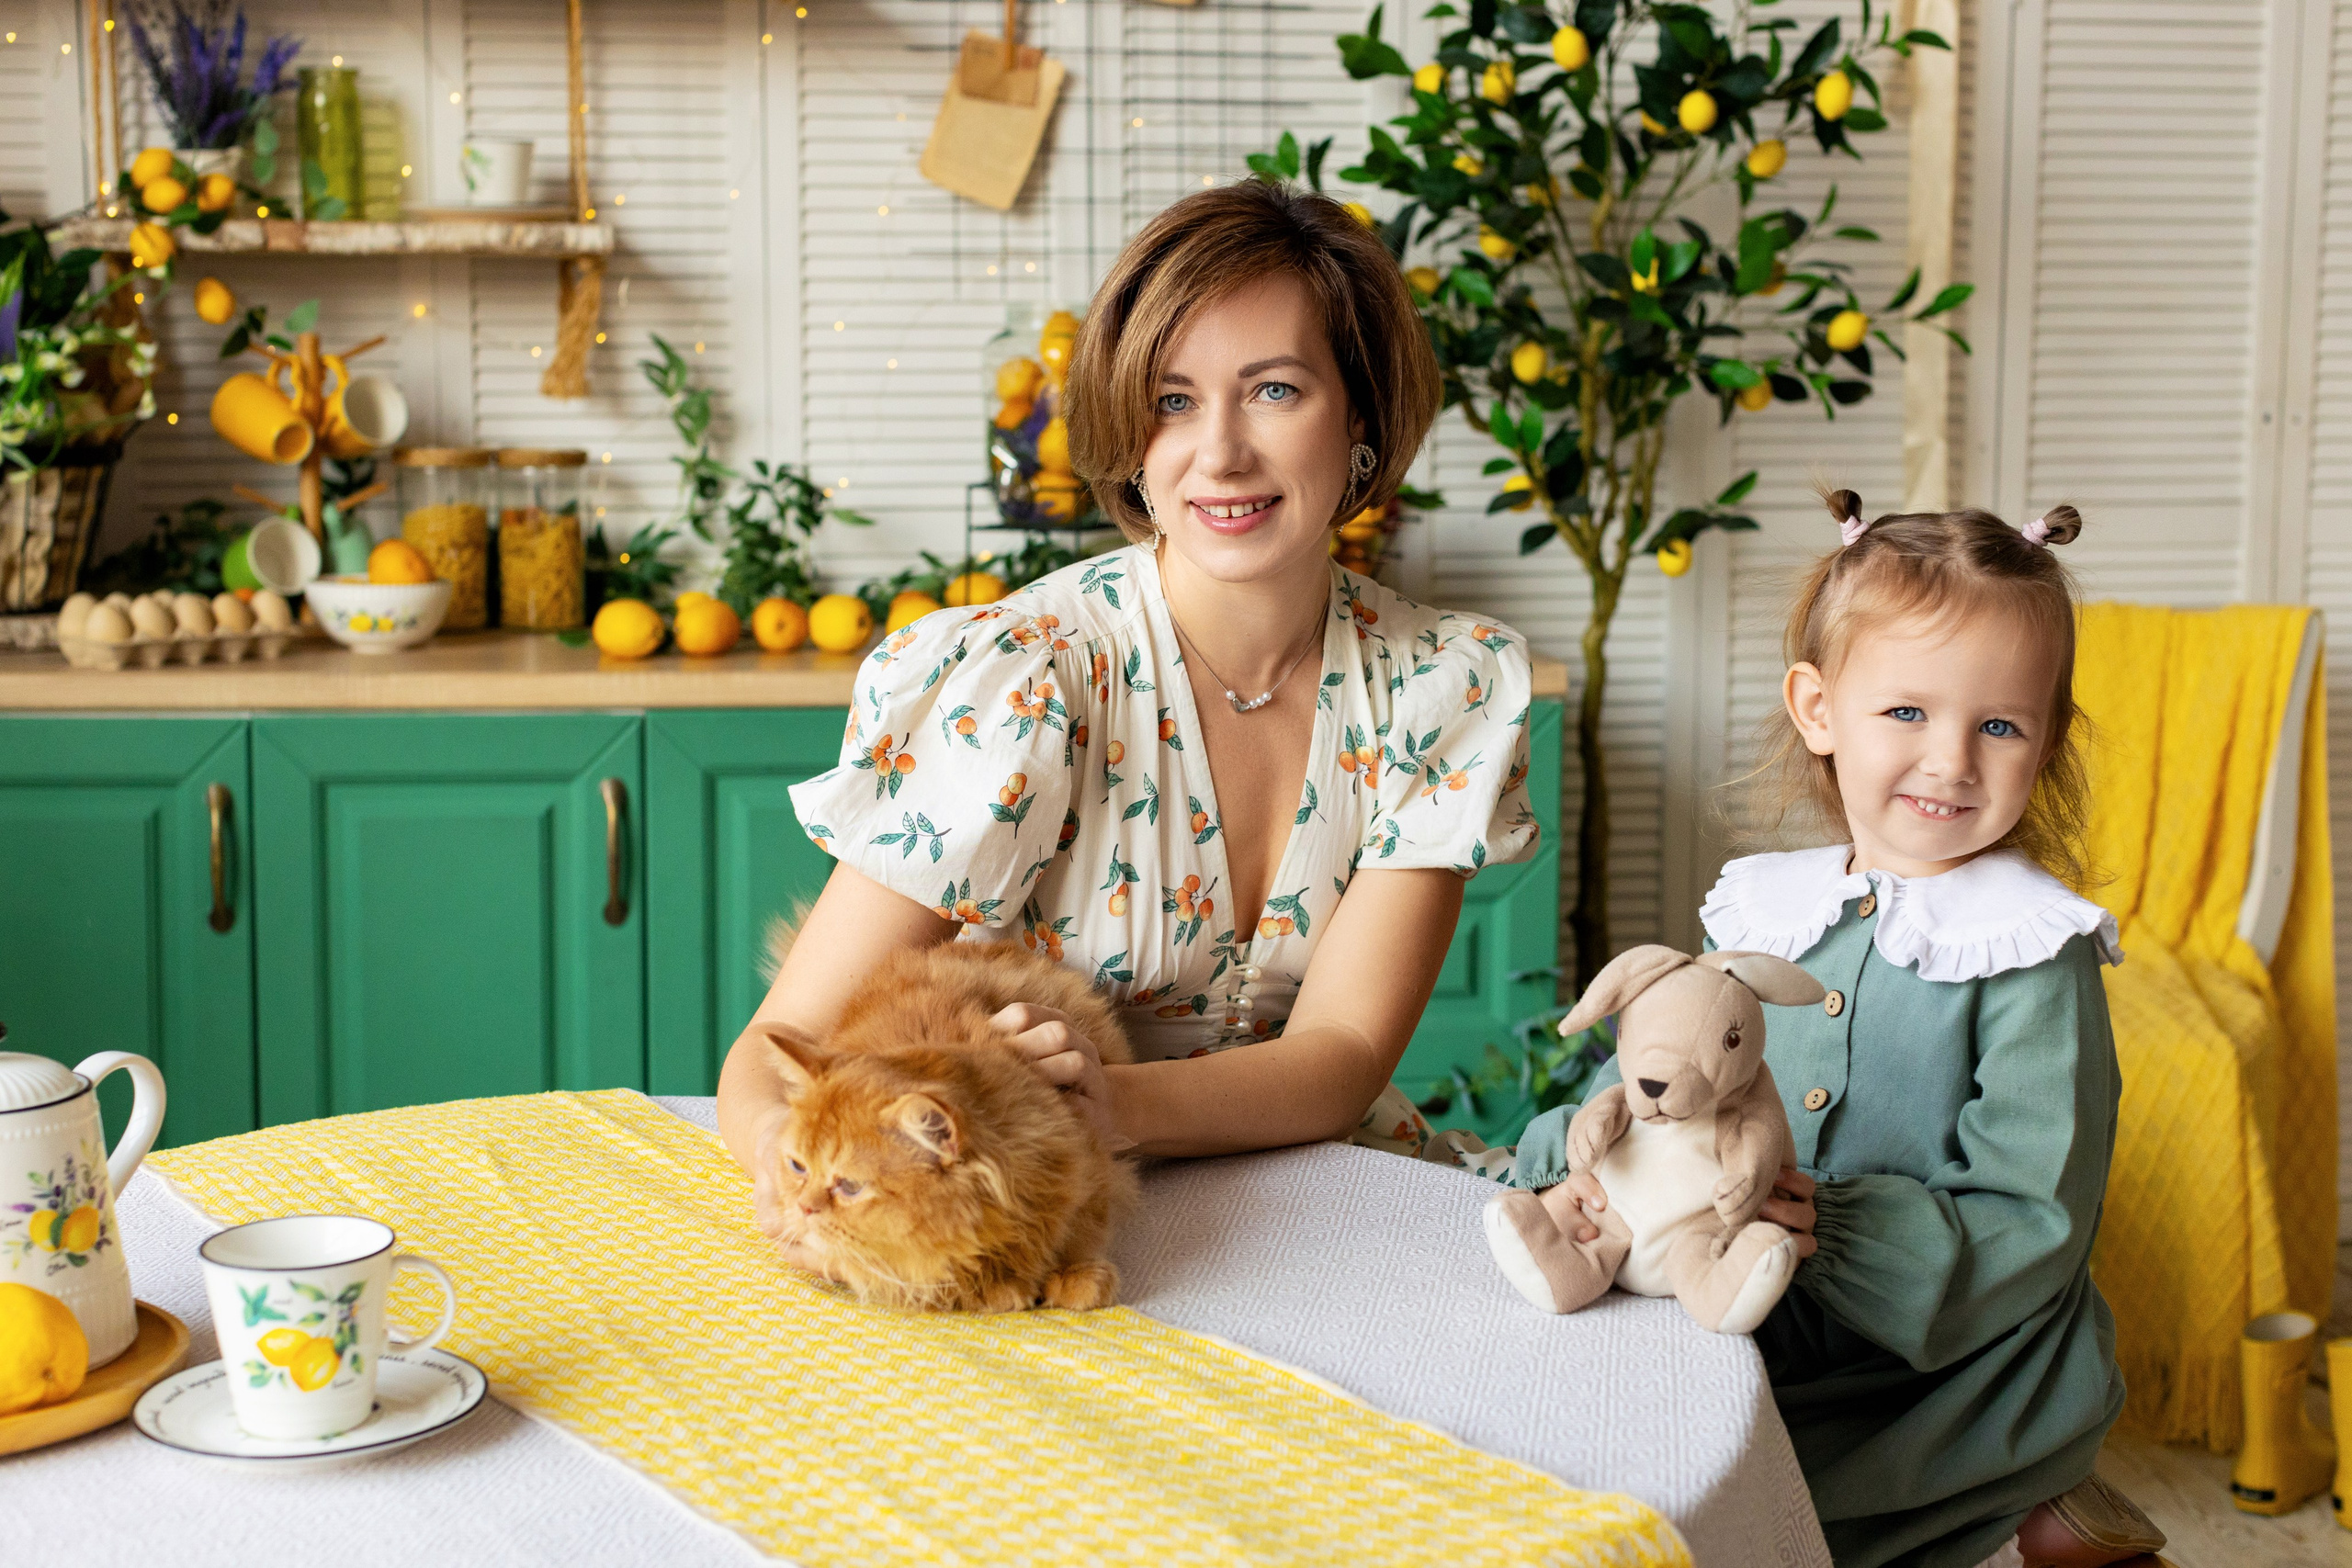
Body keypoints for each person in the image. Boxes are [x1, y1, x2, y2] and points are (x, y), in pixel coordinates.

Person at [716, 177, 1542, 1190]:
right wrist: (794, 1178)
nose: (1220, 454)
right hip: (1036, 1206)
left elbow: (1345, 1054)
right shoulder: (1027, 679)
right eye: (1172, 402)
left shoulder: (1437, 687)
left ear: (1361, 415)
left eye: (1275, 391)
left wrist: (1112, 1103)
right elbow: (778, 1051)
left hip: (1323, 1186)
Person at [1502, 491, 2160, 1568]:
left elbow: (2035, 1216)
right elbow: (1672, 1063)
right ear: (1817, 709)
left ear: (2043, 746)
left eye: (1998, 726)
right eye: (1906, 712)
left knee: (1751, 1523)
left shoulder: (2032, 950)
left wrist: (1839, 1236)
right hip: (1739, 1290)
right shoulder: (1769, 909)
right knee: (1564, 1435)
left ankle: (2032, 1501)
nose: (1950, 760)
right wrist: (1579, 1160)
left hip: (1932, 1370)